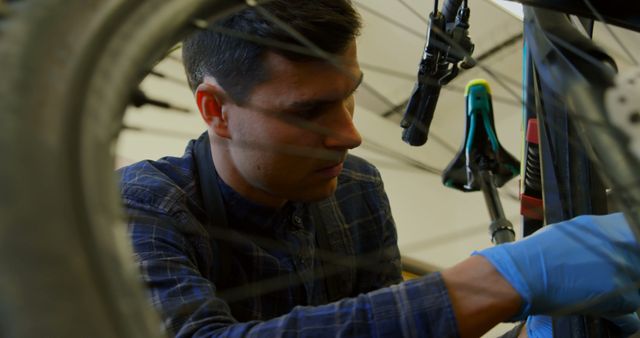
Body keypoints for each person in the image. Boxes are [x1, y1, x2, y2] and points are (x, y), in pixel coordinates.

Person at [118, 1, 640, 337]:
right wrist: (503, 278)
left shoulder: (356, 187)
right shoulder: (139, 206)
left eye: (349, 98)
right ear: (216, 110)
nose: (351, 134)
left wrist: (532, 328)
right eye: (308, 110)